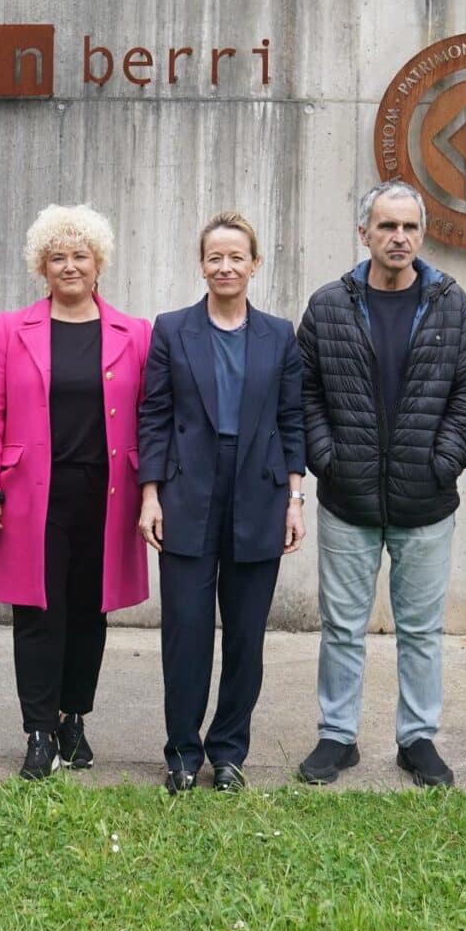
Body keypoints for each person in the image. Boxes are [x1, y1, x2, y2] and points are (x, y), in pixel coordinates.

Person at [295, 181, 466, 789]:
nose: (398, 237)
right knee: (342, 626)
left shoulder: (451, 304)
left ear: (422, 234)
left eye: (409, 227)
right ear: (365, 233)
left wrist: (443, 461)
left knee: (422, 630)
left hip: (425, 500)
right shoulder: (329, 305)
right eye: (386, 226)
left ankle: (417, 739)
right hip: (347, 497)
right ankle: (337, 736)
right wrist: (327, 458)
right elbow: (304, 390)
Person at [0, 204, 152, 780]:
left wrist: (153, 489)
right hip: (31, 497)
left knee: (90, 611)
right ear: (41, 267)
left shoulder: (135, 333)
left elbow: (151, 417)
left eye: (80, 256)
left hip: (107, 495)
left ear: (99, 264)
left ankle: (74, 719)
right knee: (38, 613)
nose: (69, 266)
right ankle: (39, 729)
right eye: (57, 257)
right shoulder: (9, 329)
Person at [137, 213, 307, 793]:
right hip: (187, 492)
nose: (226, 267)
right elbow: (154, 416)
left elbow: (292, 420)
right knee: (185, 631)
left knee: (245, 634)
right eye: (215, 257)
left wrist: (294, 499)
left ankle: (229, 752)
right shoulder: (172, 329)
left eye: (237, 257)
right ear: (202, 265)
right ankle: (183, 753)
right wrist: (150, 495)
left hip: (259, 492)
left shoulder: (280, 335)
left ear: (255, 264)